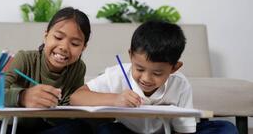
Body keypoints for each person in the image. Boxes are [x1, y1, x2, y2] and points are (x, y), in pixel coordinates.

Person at [70, 20, 238, 134]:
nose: (146, 78)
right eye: (139, 68)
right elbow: (76, 97)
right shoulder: (118, 75)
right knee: (105, 131)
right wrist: (115, 99)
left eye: (157, 73)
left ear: (174, 68)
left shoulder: (180, 84)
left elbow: (185, 130)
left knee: (226, 128)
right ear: (131, 56)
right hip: (129, 132)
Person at [0, 7, 93, 134]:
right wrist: (22, 97)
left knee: (80, 128)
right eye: (58, 37)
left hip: (47, 128)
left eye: (74, 43)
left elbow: (72, 109)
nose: (64, 47)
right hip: (10, 126)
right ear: (46, 36)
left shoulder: (78, 68)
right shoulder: (24, 58)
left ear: (83, 48)